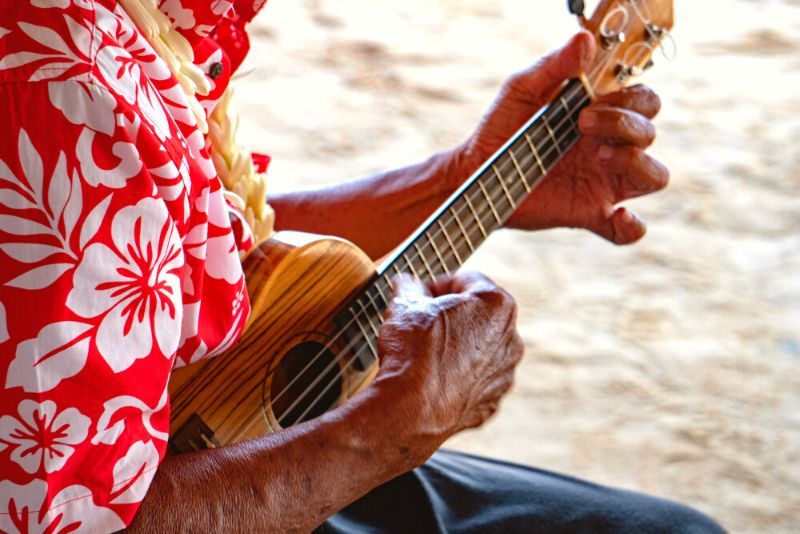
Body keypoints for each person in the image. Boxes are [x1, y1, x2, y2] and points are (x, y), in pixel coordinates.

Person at [0, 1, 724, 532]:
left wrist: (462, 178)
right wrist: (388, 431)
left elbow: (171, 246)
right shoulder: (65, 81)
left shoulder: (136, 28)